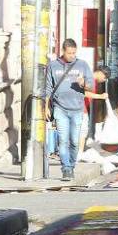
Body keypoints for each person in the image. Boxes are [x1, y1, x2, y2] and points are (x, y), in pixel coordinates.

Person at [46, 38, 94, 181]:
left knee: (74, 141)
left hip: (77, 109)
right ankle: (66, 168)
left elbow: (90, 86)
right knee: (63, 140)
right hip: (60, 108)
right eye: (69, 53)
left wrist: (83, 83)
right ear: (63, 51)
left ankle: (72, 165)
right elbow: (48, 88)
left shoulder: (82, 65)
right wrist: (45, 107)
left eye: (74, 53)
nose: (72, 56)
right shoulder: (53, 66)